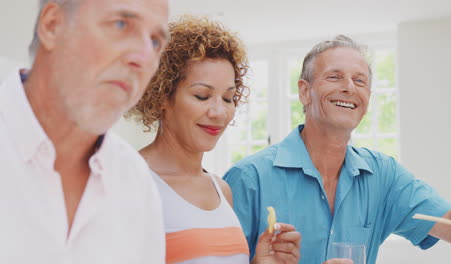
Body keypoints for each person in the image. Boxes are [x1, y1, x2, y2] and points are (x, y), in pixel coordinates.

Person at [223, 35, 451, 264]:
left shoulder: (384, 175)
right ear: (304, 91)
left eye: (359, 80)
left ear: (367, 97)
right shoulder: (249, 179)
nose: (349, 88)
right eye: (334, 77)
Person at [0, 0, 169, 263]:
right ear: (52, 25)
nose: (144, 57)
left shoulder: (135, 180)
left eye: (156, 42)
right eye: (122, 24)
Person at [127, 16, 301, 264]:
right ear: (162, 96)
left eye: (228, 98)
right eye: (201, 96)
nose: (219, 113)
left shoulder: (221, 190)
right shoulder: (130, 180)